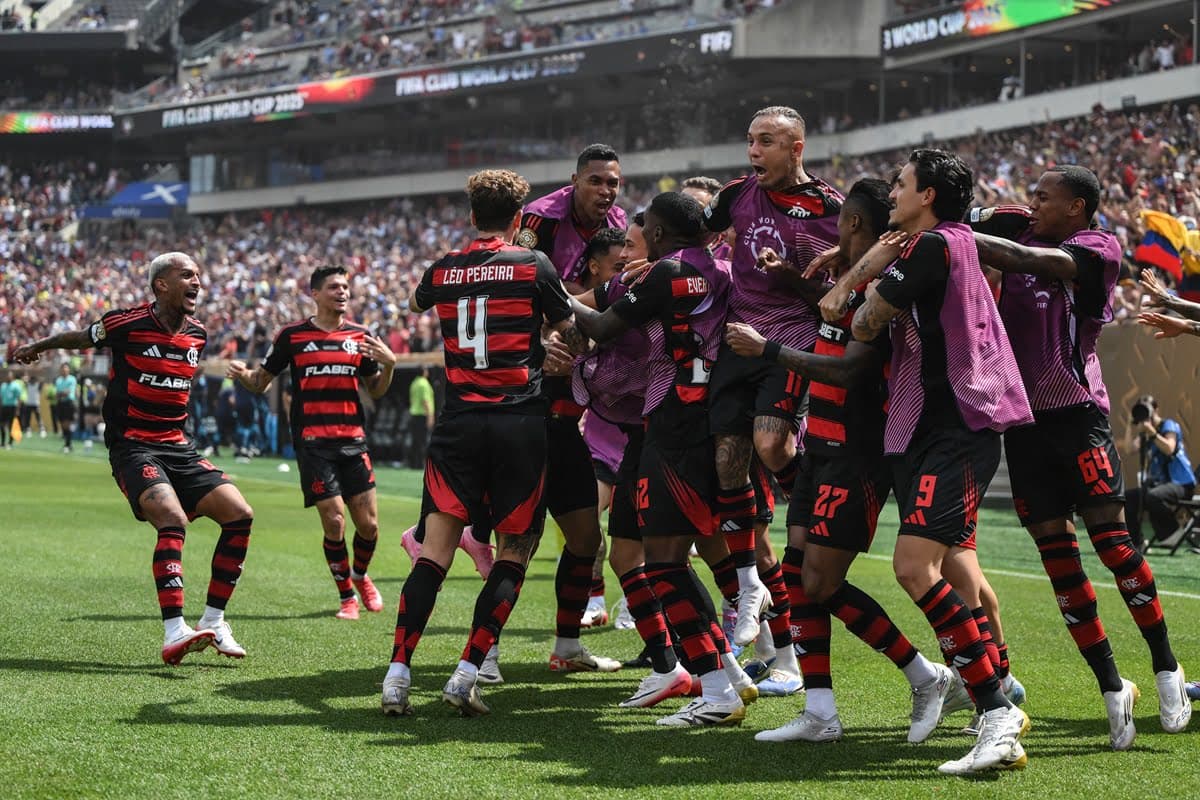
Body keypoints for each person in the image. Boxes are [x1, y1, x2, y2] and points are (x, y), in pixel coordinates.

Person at [824, 149, 1035, 774]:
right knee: (950, 570)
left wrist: (874, 262)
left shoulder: (934, 247)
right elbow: (844, 311)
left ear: (930, 195)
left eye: (902, 184)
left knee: (915, 567)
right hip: (925, 428)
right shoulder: (942, 243)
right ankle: (999, 696)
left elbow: (852, 318)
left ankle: (995, 711)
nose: (892, 192)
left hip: (956, 426)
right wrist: (875, 262)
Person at [726, 178, 954, 744]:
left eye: (840, 221)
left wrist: (770, 351)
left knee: (821, 582)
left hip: (857, 456)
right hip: (819, 452)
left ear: (851, 224)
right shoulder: (844, 284)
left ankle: (926, 675)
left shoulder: (881, 288)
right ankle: (822, 712)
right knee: (803, 584)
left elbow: (853, 368)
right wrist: (790, 282)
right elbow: (831, 318)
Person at [971, 165, 1191, 745]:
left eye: (1045, 196)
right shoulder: (1018, 223)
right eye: (1033, 193)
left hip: (1078, 418)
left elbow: (1037, 263)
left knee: (1115, 547)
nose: (1032, 202)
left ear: (1078, 206)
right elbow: (966, 218)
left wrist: (962, 236)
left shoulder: (1096, 246)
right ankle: (1112, 685)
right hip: (1023, 424)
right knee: (1056, 558)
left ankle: (1167, 668)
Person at [380, 169, 583, 717]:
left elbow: (420, 299)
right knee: (515, 550)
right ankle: (467, 672)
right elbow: (571, 329)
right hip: (519, 423)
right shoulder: (532, 263)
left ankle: (398, 675)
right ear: (519, 219)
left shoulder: (443, 269)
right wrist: (545, 343)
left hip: (458, 425)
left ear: (472, 216)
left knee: (434, 554)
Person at [11, 252, 254, 666]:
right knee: (172, 521)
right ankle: (175, 630)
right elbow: (82, 337)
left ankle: (215, 621)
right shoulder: (126, 323)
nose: (197, 282)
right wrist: (41, 345)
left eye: (199, 275)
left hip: (180, 446)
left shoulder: (197, 334)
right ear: (161, 284)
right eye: (187, 275)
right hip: (134, 446)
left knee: (239, 514)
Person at [572, 191, 756, 726]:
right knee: (679, 555)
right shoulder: (722, 269)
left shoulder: (664, 273)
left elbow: (604, 326)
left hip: (675, 419)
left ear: (657, 232)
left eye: (645, 228)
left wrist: (553, 297)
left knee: (665, 561)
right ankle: (731, 673)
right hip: (714, 418)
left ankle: (718, 690)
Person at [702, 107, 842, 662]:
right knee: (728, 460)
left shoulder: (832, 209)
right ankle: (749, 581)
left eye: (766, 142)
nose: (753, 152)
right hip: (738, 339)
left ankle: (808, 508)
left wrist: (789, 277)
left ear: (797, 147)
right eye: (750, 141)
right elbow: (697, 235)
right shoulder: (737, 195)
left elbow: (835, 300)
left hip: (791, 342)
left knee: (768, 445)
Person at [227, 265, 397, 621]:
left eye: (346, 287)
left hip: (353, 441)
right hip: (314, 444)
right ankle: (347, 597)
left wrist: (390, 365)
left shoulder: (360, 336)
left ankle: (361, 576)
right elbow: (261, 382)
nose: (343, 292)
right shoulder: (292, 336)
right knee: (334, 521)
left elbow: (376, 390)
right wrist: (242, 375)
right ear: (315, 294)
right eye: (334, 287)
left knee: (369, 526)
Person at [517, 143, 626, 673]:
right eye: (596, 181)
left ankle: (567, 646)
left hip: (576, 380)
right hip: (529, 381)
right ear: (574, 181)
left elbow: (615, 295)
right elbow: (517, 287)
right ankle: (481, 655)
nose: (606, 191)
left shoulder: (620, 224)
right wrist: (563, 319)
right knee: (518, 533)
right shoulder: (539, 218)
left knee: (584, 534)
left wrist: (579, 312)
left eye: (613, 182)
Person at [575, 225, 630, 627]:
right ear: (595, 267)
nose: (626, 271)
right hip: (600, 438)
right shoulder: (582, 312)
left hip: (642, 438)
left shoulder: (644, 297)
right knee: (587, 523)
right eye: (618, 265)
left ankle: (632, 602)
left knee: (637, 537)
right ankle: (593, 598)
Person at [1124, 396, 1194, 549]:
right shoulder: (1146, 431)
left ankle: (1173, 534)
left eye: (1147, 408)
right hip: (1161, 485)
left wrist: (1153, 433)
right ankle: (1137, 542)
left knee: (1152, 495)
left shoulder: (1168, 425)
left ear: (1156, 409)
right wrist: (1131, 424)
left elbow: (1169, 448)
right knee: (1128, 498)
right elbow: (1129, 449)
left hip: (1182, 484)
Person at [408, 365, 435, 470]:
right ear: (423, 372)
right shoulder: (424, 384)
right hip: (422, 415)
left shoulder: (414, 383)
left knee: (415, 441)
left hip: (414, 414)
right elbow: (425, 401)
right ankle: (420, 464)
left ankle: (413, 463)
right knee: (422, 441)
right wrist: (430, 417)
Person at [54, 363, 79, 453]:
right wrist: (61, 393)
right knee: (62, 424)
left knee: (67, 424)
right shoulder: (58, 380)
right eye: (63, 369)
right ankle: (68, 444)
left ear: (68, 370)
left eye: (66, 368)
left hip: (68, 403)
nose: (64, 370)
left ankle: (67, 445)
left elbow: (68, 392)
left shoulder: (72, 379)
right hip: (60, 403)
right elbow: (57, 394)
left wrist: (61, 393)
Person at [0, 369, 22, 448]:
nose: (8, 377)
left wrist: (18, 410)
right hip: (4, 407)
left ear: (12, 377)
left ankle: (10, 443)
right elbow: (1, 398)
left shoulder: (16, 386)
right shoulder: (3, 386)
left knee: (11, 426)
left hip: (12, 407)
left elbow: (19, 398)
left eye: (9, 376)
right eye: (7, 376)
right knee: (2, 425)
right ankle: (2, 443)